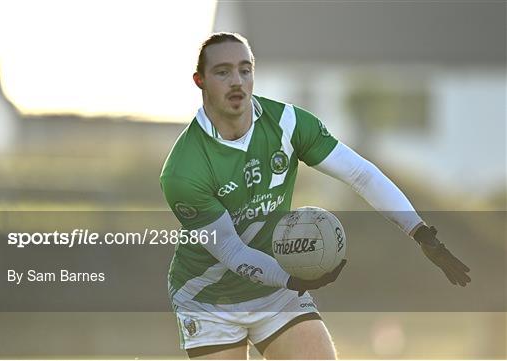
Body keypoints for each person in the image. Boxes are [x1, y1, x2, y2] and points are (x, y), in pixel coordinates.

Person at [159, 32, 470, 360]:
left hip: (276, 293)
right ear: (200, 80)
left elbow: (360, 174)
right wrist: (291, 278)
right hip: (210, 299)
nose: (237, 81)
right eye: (223, 72)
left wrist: (419, 231)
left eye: (245, 69)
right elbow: (232, 250)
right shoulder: (183, 170)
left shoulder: (289, 124)